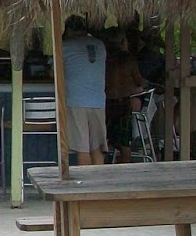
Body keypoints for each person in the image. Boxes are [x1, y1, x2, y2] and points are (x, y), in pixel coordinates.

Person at [60, 16, 109, 165]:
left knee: (83, 148)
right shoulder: (99, 44)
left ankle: (85, 186)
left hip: (76, 101)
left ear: (68, 29)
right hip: (98, 101)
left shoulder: (64, 46)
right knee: (96, 148)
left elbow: (53, 72)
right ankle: (97, 185)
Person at [104, 29, 146, 164]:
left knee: (103, 138)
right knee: (124, 141)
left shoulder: (104, 58)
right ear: (123, 42)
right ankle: (125, 165)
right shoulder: (129, 59)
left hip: (105, 103)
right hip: (123, 102)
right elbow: (139, 81)